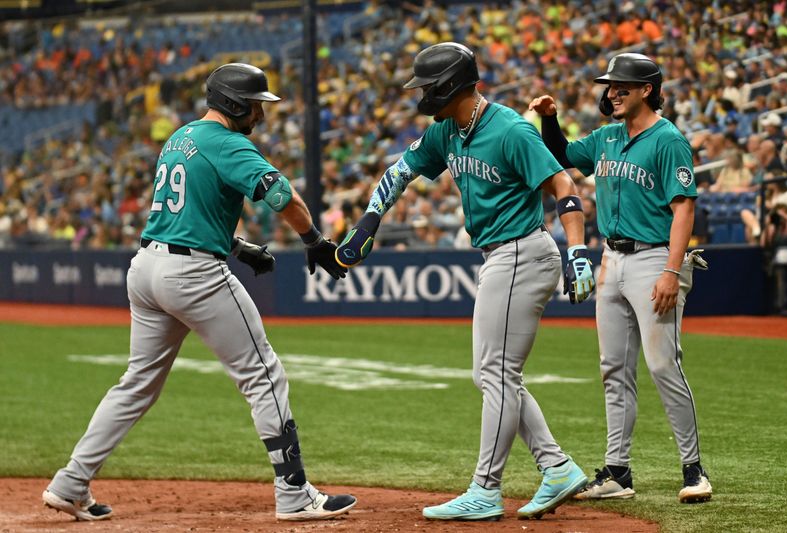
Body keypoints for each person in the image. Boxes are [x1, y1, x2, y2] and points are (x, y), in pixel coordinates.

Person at [42, 63, 355, 522]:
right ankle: (294, 494)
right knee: (263, 374)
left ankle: (70, 482)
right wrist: (315, 242)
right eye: (254, 105)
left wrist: (239, 246)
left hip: (147, 268)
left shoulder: (181, 138)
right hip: (193, 275)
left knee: (136, 384)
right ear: (233, 103)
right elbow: (284, 198)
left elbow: (189, 212)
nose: (260, 115)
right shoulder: (231, 143)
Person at [335, 42, 595, 521]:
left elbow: (564, 186)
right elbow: (400, 172)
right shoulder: (447, 130)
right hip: (502, 255)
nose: (422, 95)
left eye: (428, 86)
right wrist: (367, 224)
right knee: (493, 374)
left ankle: (486, 489)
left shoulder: (511, 129)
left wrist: (578, 250)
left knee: (495, 374)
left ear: (451, 85)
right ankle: (556, 467)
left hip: (523, 251)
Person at [530, 52, 713, 503]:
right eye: (609, 86)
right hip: (611, 258)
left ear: (646, 89)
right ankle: (617, 472)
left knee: (662, 365)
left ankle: (694, 471)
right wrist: (551, 120)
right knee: (613, 369)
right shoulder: (608, 136)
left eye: (620, 86)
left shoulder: (668, 140)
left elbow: (683, 208)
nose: (611, 92)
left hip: (654, 259)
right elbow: (564, 156)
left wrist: (673, 269)